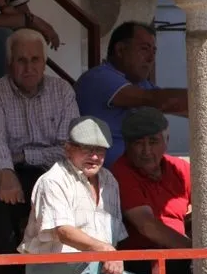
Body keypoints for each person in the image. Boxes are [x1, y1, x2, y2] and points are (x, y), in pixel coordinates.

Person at [19, 116, 155, 274]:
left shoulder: (109, 180)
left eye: (100, 150)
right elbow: (63, 231)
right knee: (94, 260)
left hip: (93, 269)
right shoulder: (53, 180)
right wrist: (105, 251)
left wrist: (107, 253)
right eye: (86, 149)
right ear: (68, 149)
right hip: (47, 272)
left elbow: (111, 239)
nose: (94, 156)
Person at [0, 28, 79, 274]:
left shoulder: (62, 91)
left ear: (44, 62)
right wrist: (5, 171)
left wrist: (25, 155)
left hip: (52, 170)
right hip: (11, 169)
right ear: (9, 63)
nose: (29, 67)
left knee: (62, 191)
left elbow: (68, 148)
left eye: (35, 60)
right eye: (21, 60)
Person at [110, 107, 193, 274]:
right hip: (141, 260)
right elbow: (147, 226)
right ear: (127, 145)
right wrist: (194, 250)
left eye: (153, 142)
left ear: (166, 140)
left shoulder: (180, 168)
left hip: (179, 258)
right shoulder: (120, 171)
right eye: (138, 143)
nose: (146, 151)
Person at [74, 22, 188, 167]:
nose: (151, 58)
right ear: (120, 50)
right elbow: (160, 101)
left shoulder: (141, 84)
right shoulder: (98, 77)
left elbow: (179, 105)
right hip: (105, 174)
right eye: (144, 49)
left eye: (154, 52)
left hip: (140, 169)